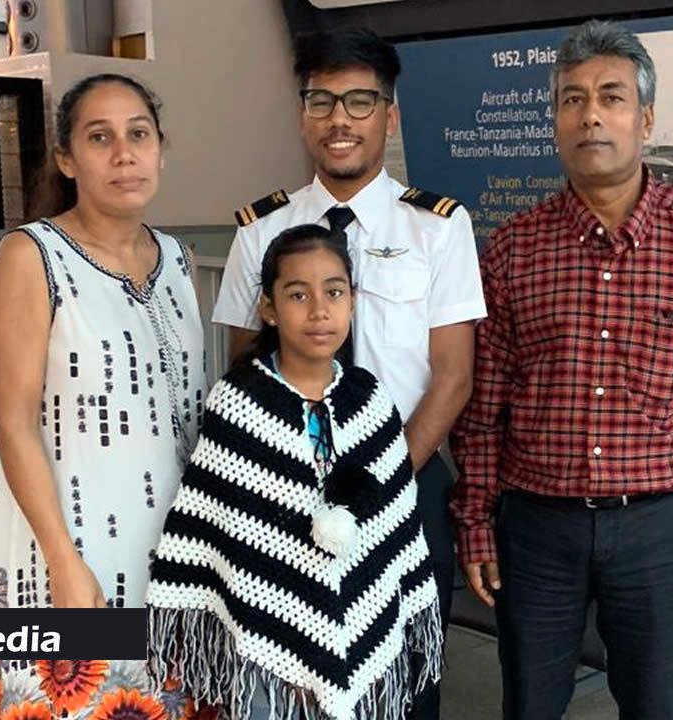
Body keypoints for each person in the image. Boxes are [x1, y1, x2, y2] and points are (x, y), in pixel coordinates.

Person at [450, 20, 673, 720]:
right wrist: (476, 519)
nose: (591, 116)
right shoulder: (513, 248)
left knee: (657, 707)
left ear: (646, 119)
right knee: (529, 705)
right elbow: (483, 411)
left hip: (662, 530)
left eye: (611, 97)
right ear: (555, 121)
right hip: (536, 528)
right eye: (572, 100)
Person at [210, 28, 486, 718]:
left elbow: (452, 377)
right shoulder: (259, 230)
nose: (340, 119)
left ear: (389, 117)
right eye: (322, 101)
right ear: (302, 114)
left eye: (360, 102)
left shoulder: (438, 228)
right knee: (291, 673)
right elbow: (247, 370)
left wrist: (375, 483)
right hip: (284, 492)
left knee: (406, 683)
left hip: (406, 483)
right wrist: (293, 481)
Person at [0, 74, 209, 720]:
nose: (124, 154)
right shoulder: (32, 256)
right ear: (66, 158)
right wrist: (63, 560)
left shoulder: (179, 260)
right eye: (100, 138)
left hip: (174, 548)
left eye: (139, 135)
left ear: (161, 149)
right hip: (72, 545)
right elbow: (13, 422)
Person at [146, 224, 443, 720]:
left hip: (365, 643)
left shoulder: (370, 401)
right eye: (298, 295)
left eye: (334, 292)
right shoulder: (239, 404)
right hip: (269, 657)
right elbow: (220, 532)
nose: (319, 310)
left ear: (352, 301)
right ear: (269, 308)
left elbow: (394, 531)